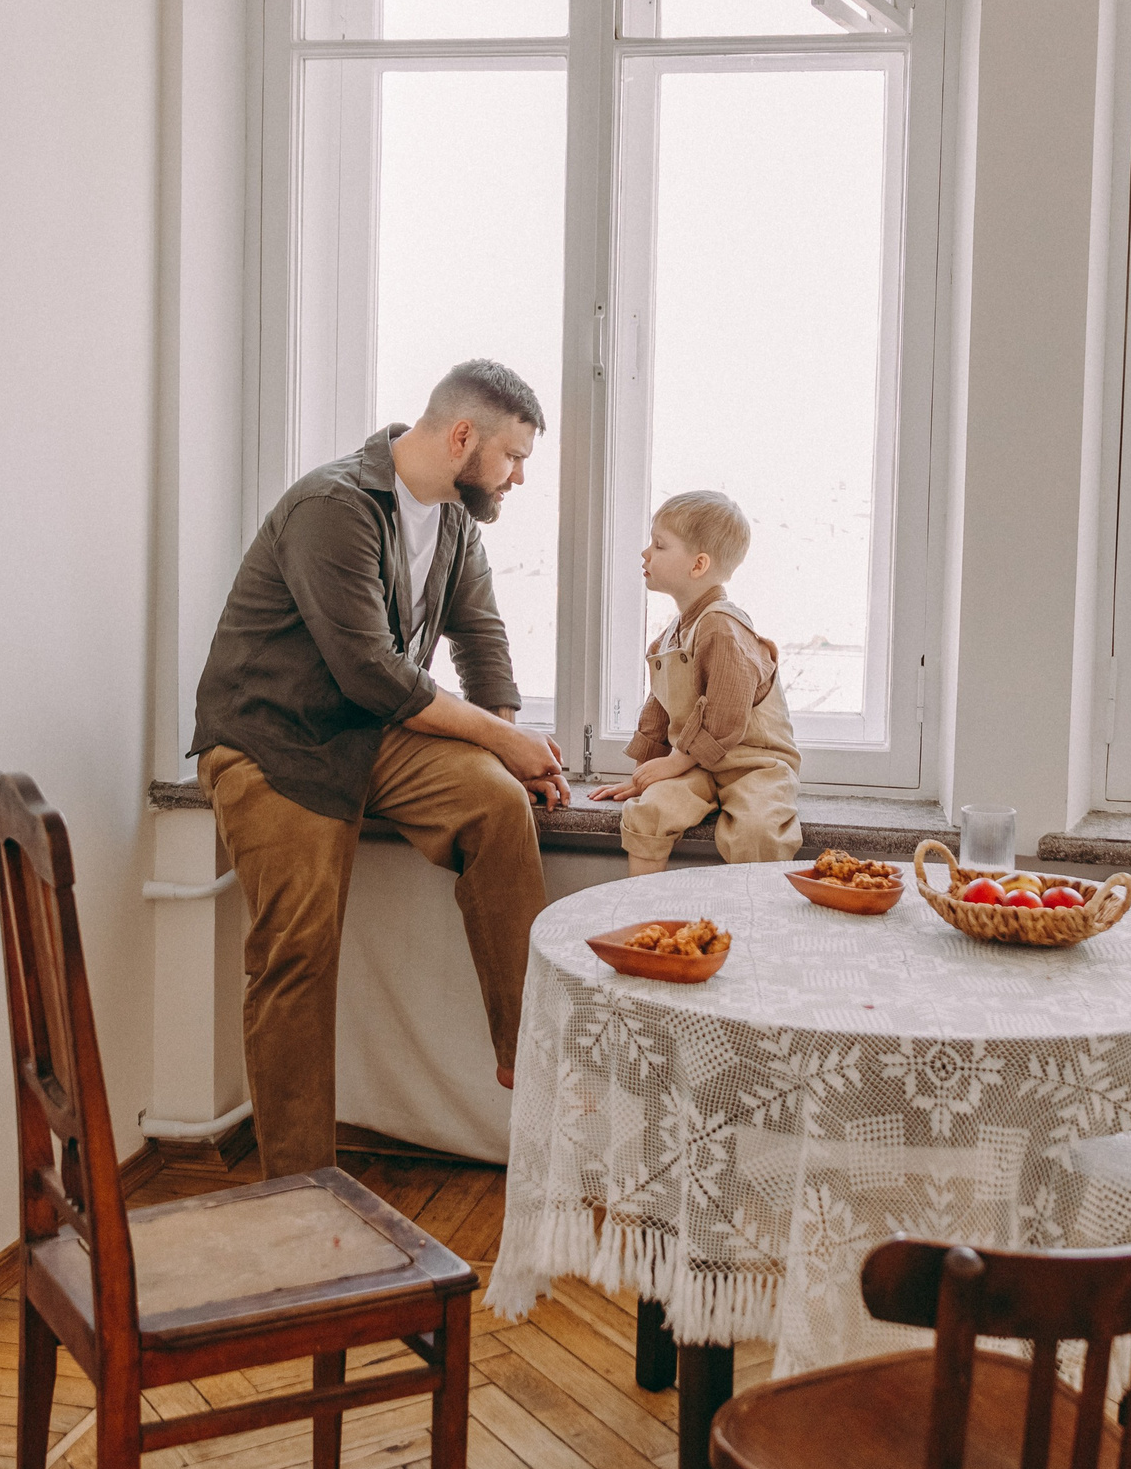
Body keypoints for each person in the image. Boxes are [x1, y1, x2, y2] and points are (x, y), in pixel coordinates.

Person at [190, 359, 569, 1180]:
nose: (520, 476)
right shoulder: (334, 506)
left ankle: (524, 1051)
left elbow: (481, 639)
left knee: (498, 805)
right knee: (299, 952)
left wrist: (504, 742)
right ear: (462, 436)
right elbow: (372, 672)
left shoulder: (458, 525)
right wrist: (503, 741)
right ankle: (299, 1188)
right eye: (514, 456)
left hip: (371, 736)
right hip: (274, 743)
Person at [591, 490, 803, 873]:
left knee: (758, 832)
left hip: (753, 764)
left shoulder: (723, 627)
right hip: (697, 765)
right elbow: (658, 709)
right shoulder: (670, 635)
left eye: (659, 545)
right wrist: (644, 773)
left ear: (698, 564)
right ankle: (646, 917)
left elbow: (724, 716)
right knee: (648, 812)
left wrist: (673, 763)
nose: (645, 554)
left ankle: (752, 924)